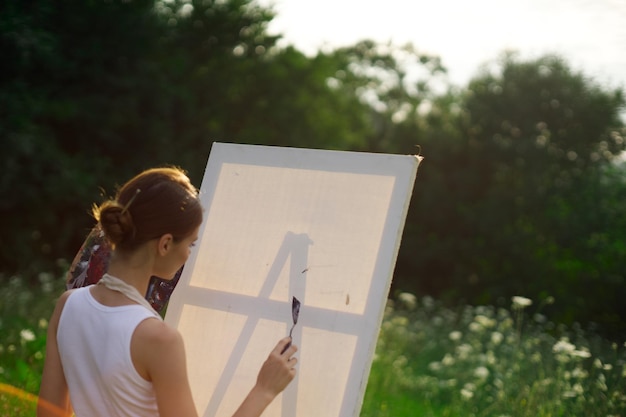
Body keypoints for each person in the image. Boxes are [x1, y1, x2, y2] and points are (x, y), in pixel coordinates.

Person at [38, 166, 298, 417]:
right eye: (191, 244)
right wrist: (264, 390)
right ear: (165, 244)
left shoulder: (68, 305)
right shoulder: (159, 339)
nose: (189, 254)